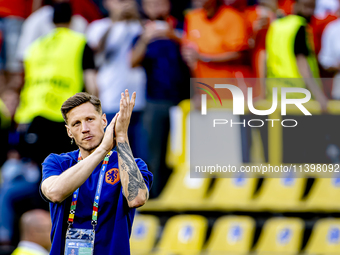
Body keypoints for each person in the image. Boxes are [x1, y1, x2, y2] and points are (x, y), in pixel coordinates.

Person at [40, 91, 152, 254]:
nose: (85, 129)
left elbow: (137, 199)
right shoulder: (57, 162)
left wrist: (121, 136)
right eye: (76, 123)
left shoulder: (132, 165)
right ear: (69, 131)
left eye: (90, 119)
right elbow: (55, 193)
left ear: (104, 120)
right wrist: (103, 149)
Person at [14, 2, 97, 166]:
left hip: (35, 113)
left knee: (44, 170)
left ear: (51, 21)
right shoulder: (79, 42)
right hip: (65, 115)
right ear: (72, 21)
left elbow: (25, 81)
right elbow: (91, 82)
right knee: (68, 168)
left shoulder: (36, 47)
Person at [131, 0, 190, 198]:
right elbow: (132, 61)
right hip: (155, 100)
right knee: (154, 153)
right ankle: (155, 198)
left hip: (184, 100)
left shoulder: (183, 26)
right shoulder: (142, 33)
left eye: (161, 3)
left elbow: (194, 50)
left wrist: (172, 35)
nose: (156, 7)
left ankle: (182, 195)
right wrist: (146, 39)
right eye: (151, 4)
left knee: (183, 152)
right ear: (145, 8)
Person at [86, 0, 146, 158]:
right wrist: (114, 22)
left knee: (140, 157)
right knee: (113, 157)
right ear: (106, 3)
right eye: (119, 1)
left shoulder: (139, 25)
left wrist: (137, 17)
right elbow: (97, 51)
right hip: (111, 100)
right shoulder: (99, 26)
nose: (123, 4)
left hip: (140, 100)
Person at [265, 0, 328, 111]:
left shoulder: (276, 26)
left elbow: (265, 59)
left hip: (276, 95)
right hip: (299, 95)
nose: (310, 11)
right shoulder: (300, 25)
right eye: (307, 6)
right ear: (295, 5)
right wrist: (319, 95)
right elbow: (301, 61)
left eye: (312, 7)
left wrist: (263, 93)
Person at [182, 0, 252, 80]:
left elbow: (240, 55)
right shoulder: (192, 17)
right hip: (204, 83)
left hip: (231, 83)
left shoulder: (233, 17)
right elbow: (187, 46)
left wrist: (204, 58)